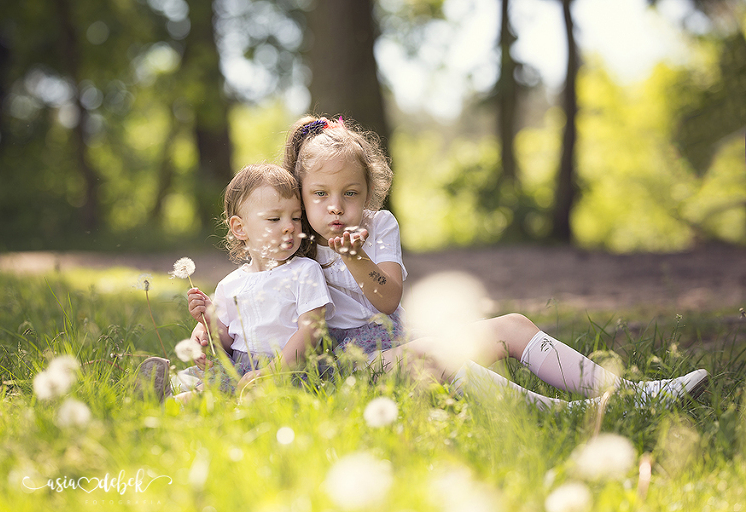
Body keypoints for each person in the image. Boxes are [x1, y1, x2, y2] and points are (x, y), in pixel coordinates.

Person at [280, 114, 709, 410]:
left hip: (401, 340)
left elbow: (388, 299)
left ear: (368, 192)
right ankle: (568, 413)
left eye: (350, 193)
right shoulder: (290, 245)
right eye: (320, 194)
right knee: (451, 364)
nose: (336, 207)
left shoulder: (379, 226)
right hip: (353, 367)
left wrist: (355, 257)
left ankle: (630, 393)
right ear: (299, 193)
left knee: (513, 325)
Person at [138, 163, 334, 400]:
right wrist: (208, 323)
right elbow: (228, 342)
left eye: (296, 217)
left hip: (287, 368)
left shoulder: (304, 271)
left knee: (223, 392)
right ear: (240, 228)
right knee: (214, 384)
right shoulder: (230, 284)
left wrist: (272, 371)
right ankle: (163, 394)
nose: (289, 227)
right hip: (239, 367)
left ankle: (168, 402)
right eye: (274, 219)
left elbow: (311, 328)